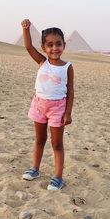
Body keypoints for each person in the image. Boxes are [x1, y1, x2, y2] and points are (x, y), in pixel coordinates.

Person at [20, 19, 74, 191]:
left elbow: (71, 91)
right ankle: (35, 168)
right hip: (39, 105)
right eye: (49, 45)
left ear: (64, 45)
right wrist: (26, 29)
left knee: (57, 144)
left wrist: (68, 113)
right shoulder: (42, 62)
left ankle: (58, 177)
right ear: (43, 48)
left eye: (58, 44)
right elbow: (28, 47)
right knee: (40, 139)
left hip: (58, 108)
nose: (54, 48)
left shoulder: (67, 67)